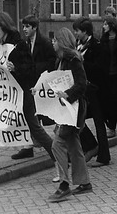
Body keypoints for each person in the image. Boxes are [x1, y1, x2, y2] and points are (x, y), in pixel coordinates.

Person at [0, 12, 55, 178]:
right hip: (7, 99)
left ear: (4, 28)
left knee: (35, 130)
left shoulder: (19, 46)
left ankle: (60, 159)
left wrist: (16, 69)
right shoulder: (0, 47)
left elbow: (30, 72)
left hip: (21, 97)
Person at [46, 27, 92, 202]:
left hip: (73, 109)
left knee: (57, 144)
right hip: (67, 108)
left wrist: (68, 94)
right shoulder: (61, 60)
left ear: (62, 42)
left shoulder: (73, 60)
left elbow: (81, 84)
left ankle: (64, 185)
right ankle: (84, 183)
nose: (53, 42)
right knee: (73, 145)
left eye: (55, 40)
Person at [11, 14, 57, 160]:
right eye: (23, 26)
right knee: (30, 114)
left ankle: (55, 145)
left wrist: (35, 68)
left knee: (40, 114)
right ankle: (29, 144)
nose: (24, 29)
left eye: (27, 27)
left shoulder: (44, 43)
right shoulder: (26, 43)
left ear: (35, 27)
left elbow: (52, 62)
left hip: (41, 83)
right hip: (30, 83)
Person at [73, 17, 111, 168]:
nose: (75, 33)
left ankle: (104, 156)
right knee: (77, 118)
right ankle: (91, 146)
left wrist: (83, 62)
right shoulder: (79, 45)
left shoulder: (97, 46)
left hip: (96, 90)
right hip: (84, 90)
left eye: (77, 31)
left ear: (85, 31)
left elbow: (101, 69)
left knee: (99, 123)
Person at [99, 15, 117, 138]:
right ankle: (110, 124)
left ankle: (113, 126)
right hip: (106, 74)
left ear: (111, 25)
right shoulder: (103, 39)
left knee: (115, 100)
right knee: (107, 100)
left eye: (105, 24)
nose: (103, 26)